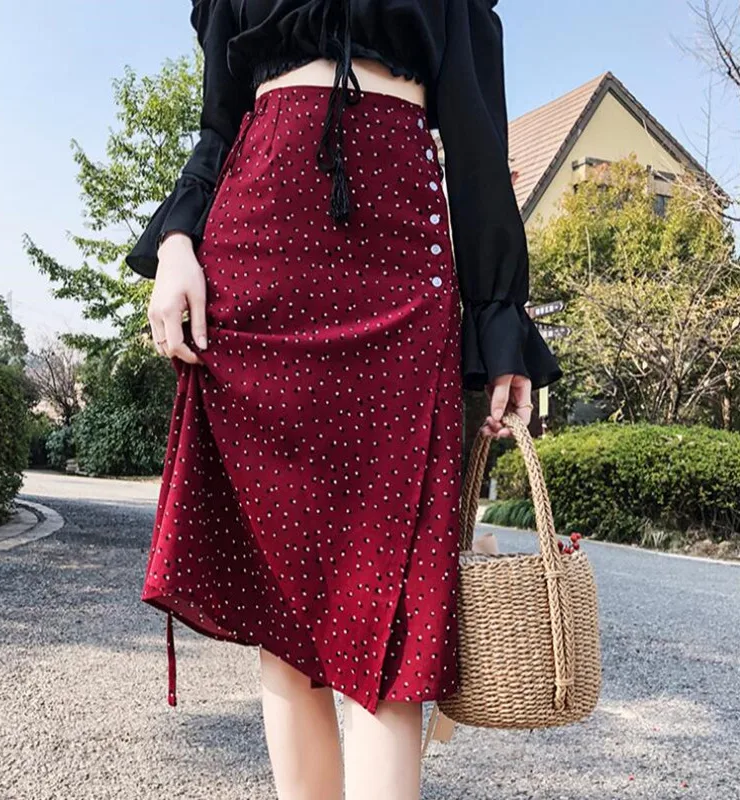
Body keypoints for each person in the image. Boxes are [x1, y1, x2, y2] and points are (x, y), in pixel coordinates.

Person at [125, 0, 563, 797]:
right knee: (286, 613)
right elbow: (218, 122)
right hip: (257, 253)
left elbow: (475, 131)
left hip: (399, 259)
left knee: (390, 623)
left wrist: (499, 314)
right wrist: (178, 241)